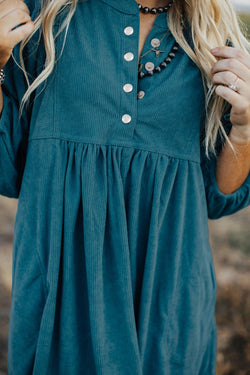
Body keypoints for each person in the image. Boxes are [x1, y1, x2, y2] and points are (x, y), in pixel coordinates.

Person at [0, 0, 249, 374]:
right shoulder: (44, 17)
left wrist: (245, 132)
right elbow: (6, 166)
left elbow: (217, 198)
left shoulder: (213, 38)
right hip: (62, 308)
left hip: (169, 314)